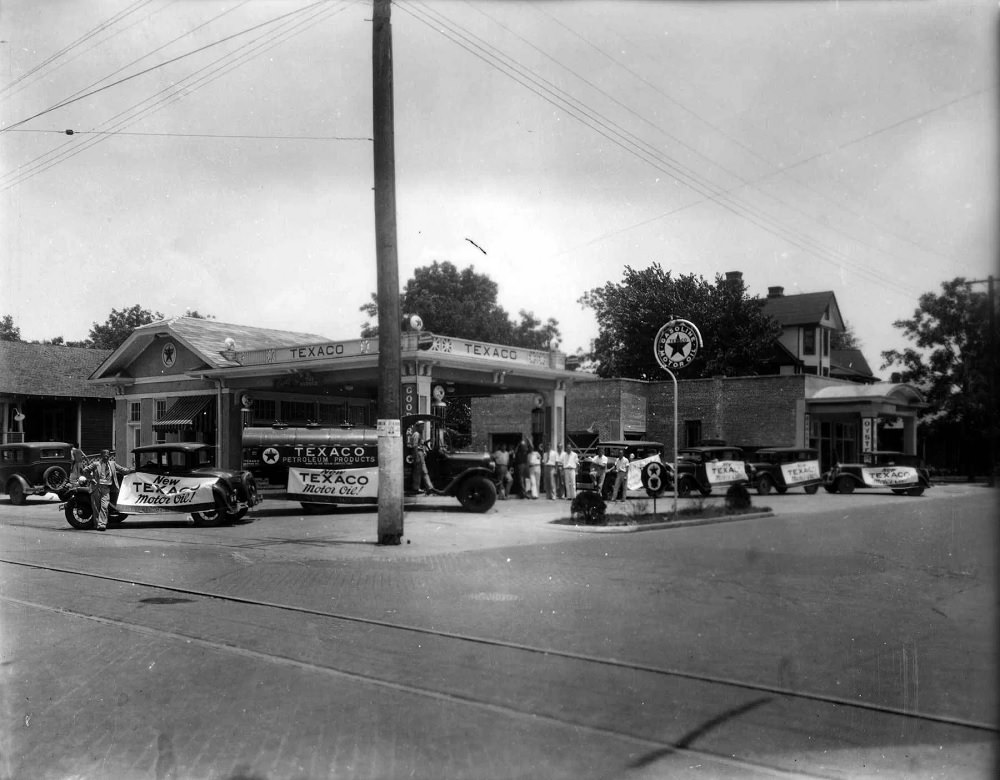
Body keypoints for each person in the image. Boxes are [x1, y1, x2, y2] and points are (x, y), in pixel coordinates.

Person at [85, 449, 126, 531]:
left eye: (107, 456)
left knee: (104, 506)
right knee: (96, 507)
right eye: (104, 456)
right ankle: (97, 525)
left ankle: (102, 524)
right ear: (101, 456)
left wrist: (132, 470)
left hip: (106, 488)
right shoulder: (96, 464)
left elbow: (122, 470)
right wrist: (91, 479)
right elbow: (85, 470)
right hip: (96, 487)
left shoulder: (112, 464)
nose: (106, 457)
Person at [408, 425, 435, 494]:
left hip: (420, 453)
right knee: (421, 471)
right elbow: (415, 446)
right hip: (418, 453)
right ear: (418, 427)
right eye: (421, 426)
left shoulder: (418, 434)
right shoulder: (416, 434)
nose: (422, 428)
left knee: (420, 471)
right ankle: (429, 487)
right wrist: (416, 456)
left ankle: (425, 487)